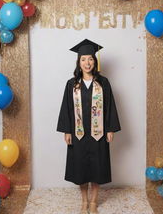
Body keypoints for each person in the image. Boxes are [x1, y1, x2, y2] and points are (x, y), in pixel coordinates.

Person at [57, 39, 121, 214]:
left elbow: (110, 106)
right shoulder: (72, 84)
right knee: (80, 168)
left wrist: (110, 129)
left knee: (97, 167)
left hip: (98, 133)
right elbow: (66, 108)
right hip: (78, 134)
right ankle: (84, 201)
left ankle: (94, 202)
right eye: (83, 59)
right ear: (78, 62)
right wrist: (67, 130)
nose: (87, 63)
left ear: (95, 61)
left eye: (90, 59)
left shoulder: (103, 83)